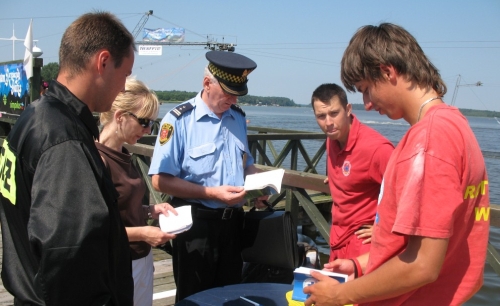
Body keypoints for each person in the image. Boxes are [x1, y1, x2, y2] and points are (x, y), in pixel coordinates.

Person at [304, 23, 490, 306]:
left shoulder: (429, 141)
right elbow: (418, 243)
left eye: (366, 89)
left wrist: (341, 294)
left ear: (388, 71)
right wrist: (361, 266)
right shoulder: (455, 124)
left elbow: (422, 265)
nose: (366, 103)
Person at [0, 12, 136, 305]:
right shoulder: (65, 140)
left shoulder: (33, 116)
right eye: (124, 74)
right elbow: (69, 259)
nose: (123, 88)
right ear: (102, 62)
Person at [149, 51, 266, 302]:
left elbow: (247, 165)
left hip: (233, 226)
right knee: (195, 299)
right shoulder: (178, 120)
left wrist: (258, 187)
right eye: (228, 92)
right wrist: (212, 194)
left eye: (238, 94)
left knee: (230, 297)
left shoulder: (238, 118)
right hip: (195, 228)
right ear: (207, 84)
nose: (234, 99)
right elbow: (159, 180)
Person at [97, 77, 177, 306]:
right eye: (144, 122)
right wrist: (143, 234)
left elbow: (122, 208)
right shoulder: (99, 160)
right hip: (118, 263)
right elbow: (99, 229)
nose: (149, 129)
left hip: (141, 258)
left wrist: (151, 210)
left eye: (153, 123)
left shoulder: (123, 153)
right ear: (120, 116)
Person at [311, 83, 393, 262]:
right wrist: (335, 177)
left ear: (348, 109)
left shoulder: (376, 149)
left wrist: (385, 227)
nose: (328, 123)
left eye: (334, 113)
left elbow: (408, 193)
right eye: (321, 116)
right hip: (337, 237)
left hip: (363, 242)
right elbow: (351, 171)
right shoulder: (332, 139)